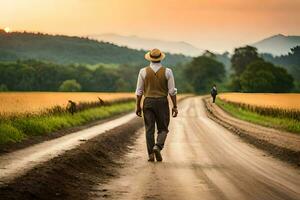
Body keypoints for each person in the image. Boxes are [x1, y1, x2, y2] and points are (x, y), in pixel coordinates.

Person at [135, 48, 178, 162]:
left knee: (149, 129)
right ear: (160, 58)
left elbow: (139, 91)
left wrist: (138, 106)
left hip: (148, 101)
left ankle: (150, 155)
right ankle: (157, 146)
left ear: (150, 58)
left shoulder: (143, 71)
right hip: (162, 102)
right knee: (163, 128)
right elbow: (172, 91)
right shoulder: (168, 71)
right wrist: (175, 106)